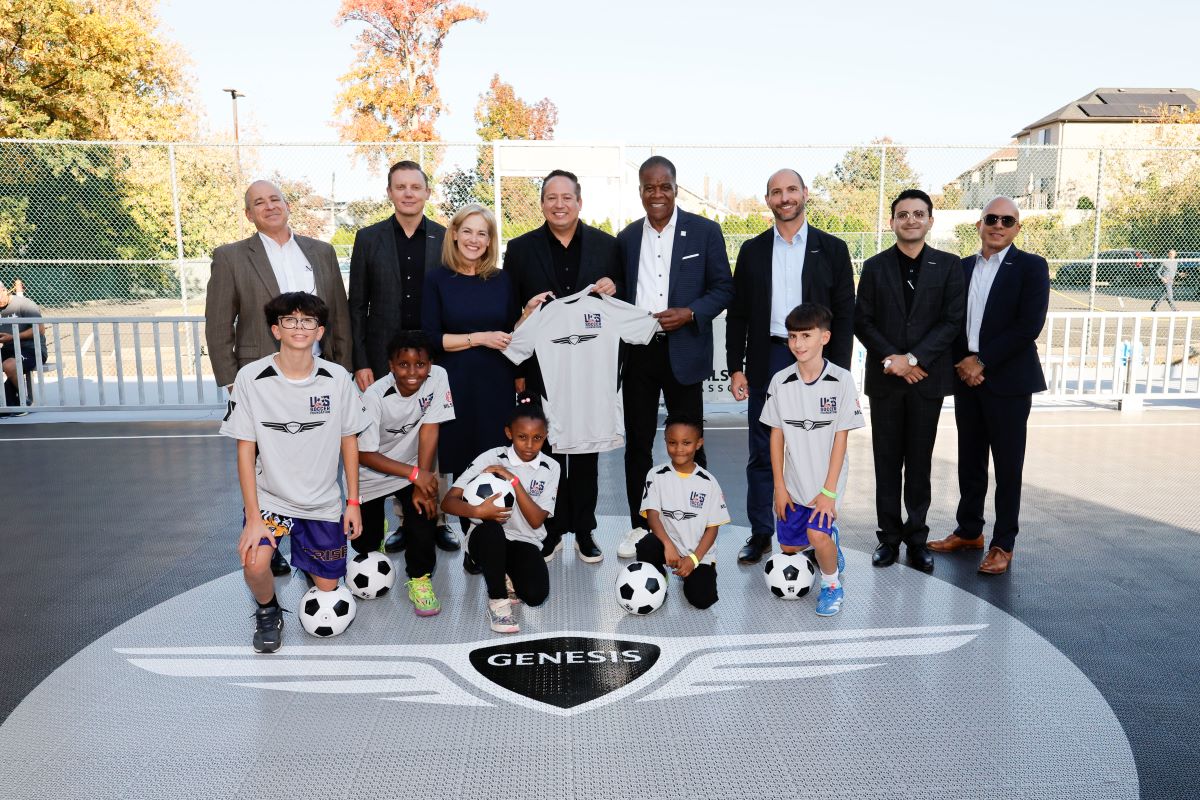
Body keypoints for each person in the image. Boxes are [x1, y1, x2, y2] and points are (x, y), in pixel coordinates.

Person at [206, 180, 353, 577]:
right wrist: (233, 382)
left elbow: (337, 313)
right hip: (264, 383)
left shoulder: (320, 252)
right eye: (259, 203)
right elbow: (219, 323)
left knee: (318, 461)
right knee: (263, 463)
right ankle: (270, 535)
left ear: (287, 205)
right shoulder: (232, 257)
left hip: (317, 377)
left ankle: (314, 541)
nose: (269, 206)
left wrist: (346, 368)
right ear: (249, 214)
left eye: (275, 199)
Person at [219, 292, 369, 653]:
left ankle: (309, 563)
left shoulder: (336, 379)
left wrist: (352, 501)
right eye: (290, 320)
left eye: (307, 321)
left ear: (319, 332)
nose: (299, 327)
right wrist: (253, 518)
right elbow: (244, 451)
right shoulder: (250, 377)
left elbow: (349, 442)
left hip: (322, 501)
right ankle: (269, 611)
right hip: (272, 498)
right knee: (255, 565)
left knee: (328, 587)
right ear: (276, 329)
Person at [725, 169, 856, 564]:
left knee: (815, 449)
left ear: (804, 194)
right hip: (769, 359)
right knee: (763, 450)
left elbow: (845, 314)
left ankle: (819, 531)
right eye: (776, 192)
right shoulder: (752, 250)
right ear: (767, 200)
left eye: (792, 190)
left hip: (818, 360)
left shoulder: (831, 249)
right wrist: (736, 367)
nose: (785, 198)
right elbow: (738, 315)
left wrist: (840, 372)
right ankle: (763, 531)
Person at [615, 156, 734, 560]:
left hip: (684, 351)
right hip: (639, 353)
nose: (657, 194)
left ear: (676, 188)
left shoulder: (704, 232)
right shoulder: (627, 238)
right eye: (650, 187)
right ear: (641, 192)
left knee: (691, 445)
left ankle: (698, 528)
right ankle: (638, 527)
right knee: (638, 446)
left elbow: (723, 289)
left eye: (664, 186)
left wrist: (691, 312)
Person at [503, 169, 624, 563]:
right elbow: (512, 313)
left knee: (586, 454)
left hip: (589, 370)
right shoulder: (520, 249)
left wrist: (613, 287)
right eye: (551, 198)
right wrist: (519, 374)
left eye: (566, 197)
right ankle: (551, 529)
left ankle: (584, 530)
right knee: (547, 449)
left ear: (579, 201)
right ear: (541, 203)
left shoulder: (608, 246)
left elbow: (621, 302)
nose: (559, 204)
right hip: (543, 369)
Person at [927, 197, 1050, 575]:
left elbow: (1028, 325)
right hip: (968, 378)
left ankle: (1003, 543)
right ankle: (969, 531)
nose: (998, 225)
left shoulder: (1030, 267)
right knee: (971, 459)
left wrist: (983, 361)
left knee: (1008, 466)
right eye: (991, 219)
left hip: (1008, 381)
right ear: (979, 224)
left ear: (1017, 228)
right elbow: (950, 320)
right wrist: (965, 363)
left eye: (1007, 220)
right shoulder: (961, 268)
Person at [854, 189, 965, 573]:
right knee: (886, 464)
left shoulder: (949, 266)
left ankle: (917, 539)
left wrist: (914, 360)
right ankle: (888, 538)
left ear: (930, 221)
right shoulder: (874, 266)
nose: (911, 220)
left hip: (925, 381)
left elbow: (952, 321)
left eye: (919, 214)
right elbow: (862, 321)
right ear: (892, 222)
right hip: (886, 381)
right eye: (903, 214)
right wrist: (893, 360)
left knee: (919, 464)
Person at [347, 160, 456, 553]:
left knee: (431, 435)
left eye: (416, 186)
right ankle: (400, 516)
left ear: (427, 192)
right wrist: (361, 361)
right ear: (389, 192)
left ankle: (435, 515)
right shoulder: (369, 238)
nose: (408, 193)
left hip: (434, 357)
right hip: (381, 358)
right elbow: (356, 305)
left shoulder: (445, 238)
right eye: (400, 187)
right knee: (388, 440)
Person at [422, 204, 520, 553]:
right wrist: (478, 337)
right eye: (468, 231)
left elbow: (511, 334)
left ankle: (488, 541)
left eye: (483, 233)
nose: (474, 239)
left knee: (492, 459)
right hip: (455, 382)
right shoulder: (437, 279)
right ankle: (468, 537)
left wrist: (533, 311)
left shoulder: (502, 279)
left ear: (491, 240)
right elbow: (431, 338)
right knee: (461, 461)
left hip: (495, 382)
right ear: (454, 233)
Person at [759, 303, 865, 616]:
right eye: (792, 336)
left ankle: (832, 585)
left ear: (825, 337)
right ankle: (830, 542)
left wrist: (829, 491)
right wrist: (779, 486)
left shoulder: (841, 380)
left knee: (816, 535)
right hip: (794, 480)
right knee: (791, 547)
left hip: (827, 479)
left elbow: (841, 439)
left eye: (806, 335)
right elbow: (776, 436)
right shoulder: (780, 381)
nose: (799, 343)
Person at [354, 330, 455, 616]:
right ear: (390, 365)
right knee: (364, 544)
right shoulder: (374, 396)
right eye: (403, 365)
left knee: (424, 517)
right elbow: (363, 454)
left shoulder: (438, 378)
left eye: (420, 365)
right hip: (372, 471)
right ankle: (378, 533)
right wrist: (416, 475)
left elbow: (430, 427)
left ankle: (420, 579)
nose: (412, 372)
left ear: (430, 364)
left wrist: (423, 480)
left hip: (411, 467)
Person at [442, 401, 560, 634]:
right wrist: (477, 512)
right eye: (521, 437)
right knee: (493, 531)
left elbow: (536, 521)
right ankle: (497, 601)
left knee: (535, 596)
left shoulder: (551, 467)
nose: (529, 445)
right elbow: (448, 502)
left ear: (546, 436)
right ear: (509, 433)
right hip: (486, 538)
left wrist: (512, 479)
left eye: (537, 438)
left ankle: (506, 572)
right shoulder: (490, 458)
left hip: (525, 540)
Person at [634, 415, 730, 609]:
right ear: (666, 442)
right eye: (672, 442)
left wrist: (693, 559)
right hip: (667, 545)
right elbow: (652, 517)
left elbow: (712, 529)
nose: (679, 449)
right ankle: (658, 581)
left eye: (686, 443)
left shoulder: (708, 482)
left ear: (698, 444)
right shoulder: (656, 475)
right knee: (646, 545)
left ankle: (692, 574)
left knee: (702, 600)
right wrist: (668, 545)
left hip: (698, 553)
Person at [0, 280, 46, 415]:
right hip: (9, 349)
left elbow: (40, 329)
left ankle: (24, 400)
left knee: (9, 365)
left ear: (4, 290)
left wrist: (12, 337)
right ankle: (7, 401)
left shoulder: (24, 304)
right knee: (9, 362)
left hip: (32, 349)